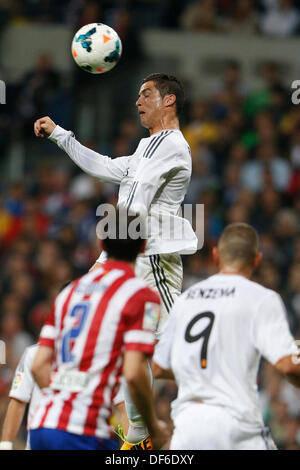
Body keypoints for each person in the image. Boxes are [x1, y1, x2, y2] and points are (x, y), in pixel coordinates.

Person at [33, 73, 198, 449]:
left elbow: (136, 202)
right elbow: (108, 167)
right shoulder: (148, 147)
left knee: (172, 345)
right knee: (134, 344)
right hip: (138, 256)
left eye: (146, 94)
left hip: (153, 258)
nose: (138, 101)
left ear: (169, 101)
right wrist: (62, 135)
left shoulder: (170, 145)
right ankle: (142, 432)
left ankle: (203, 416)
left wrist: (109, 257)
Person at [28, 211, 168, 450]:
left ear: (102, 244)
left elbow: (38, 365)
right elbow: (134, 373)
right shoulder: (141, 295)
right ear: (144, 246)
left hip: (44, 425)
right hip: (85, 431)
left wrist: (66, 402)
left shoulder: (69, 292)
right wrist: (153, 429)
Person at [153, 223, 300, 450]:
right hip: (236, 427)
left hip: (188, 428)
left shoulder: (186, 300)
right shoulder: (261, 299)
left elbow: (159, 367)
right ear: (256, 260)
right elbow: (288, 366)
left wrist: (204, 372)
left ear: (215, 255)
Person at [0, 344, 41, 450]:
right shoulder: (34, 352)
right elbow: (18, 400)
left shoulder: (89, 354)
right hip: (39, 439)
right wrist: (5, 446)